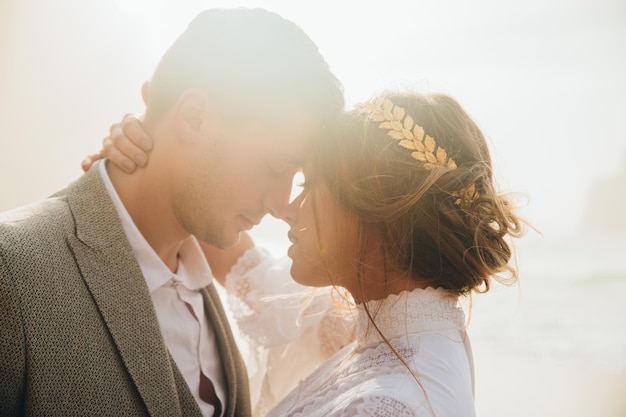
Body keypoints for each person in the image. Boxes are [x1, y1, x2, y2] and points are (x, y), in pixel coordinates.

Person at [0, 8, 343, 417]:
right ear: (194, 118)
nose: (282, 202)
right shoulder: (12, 270)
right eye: (273, 166)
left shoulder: (209, 274)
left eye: (297, 176)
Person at [94, 91, 524, 416]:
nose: (288, 209)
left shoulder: (387, 405)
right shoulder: (370, 325)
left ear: (374, 206)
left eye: (308, 184)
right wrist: (153, 159)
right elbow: (229, 247)